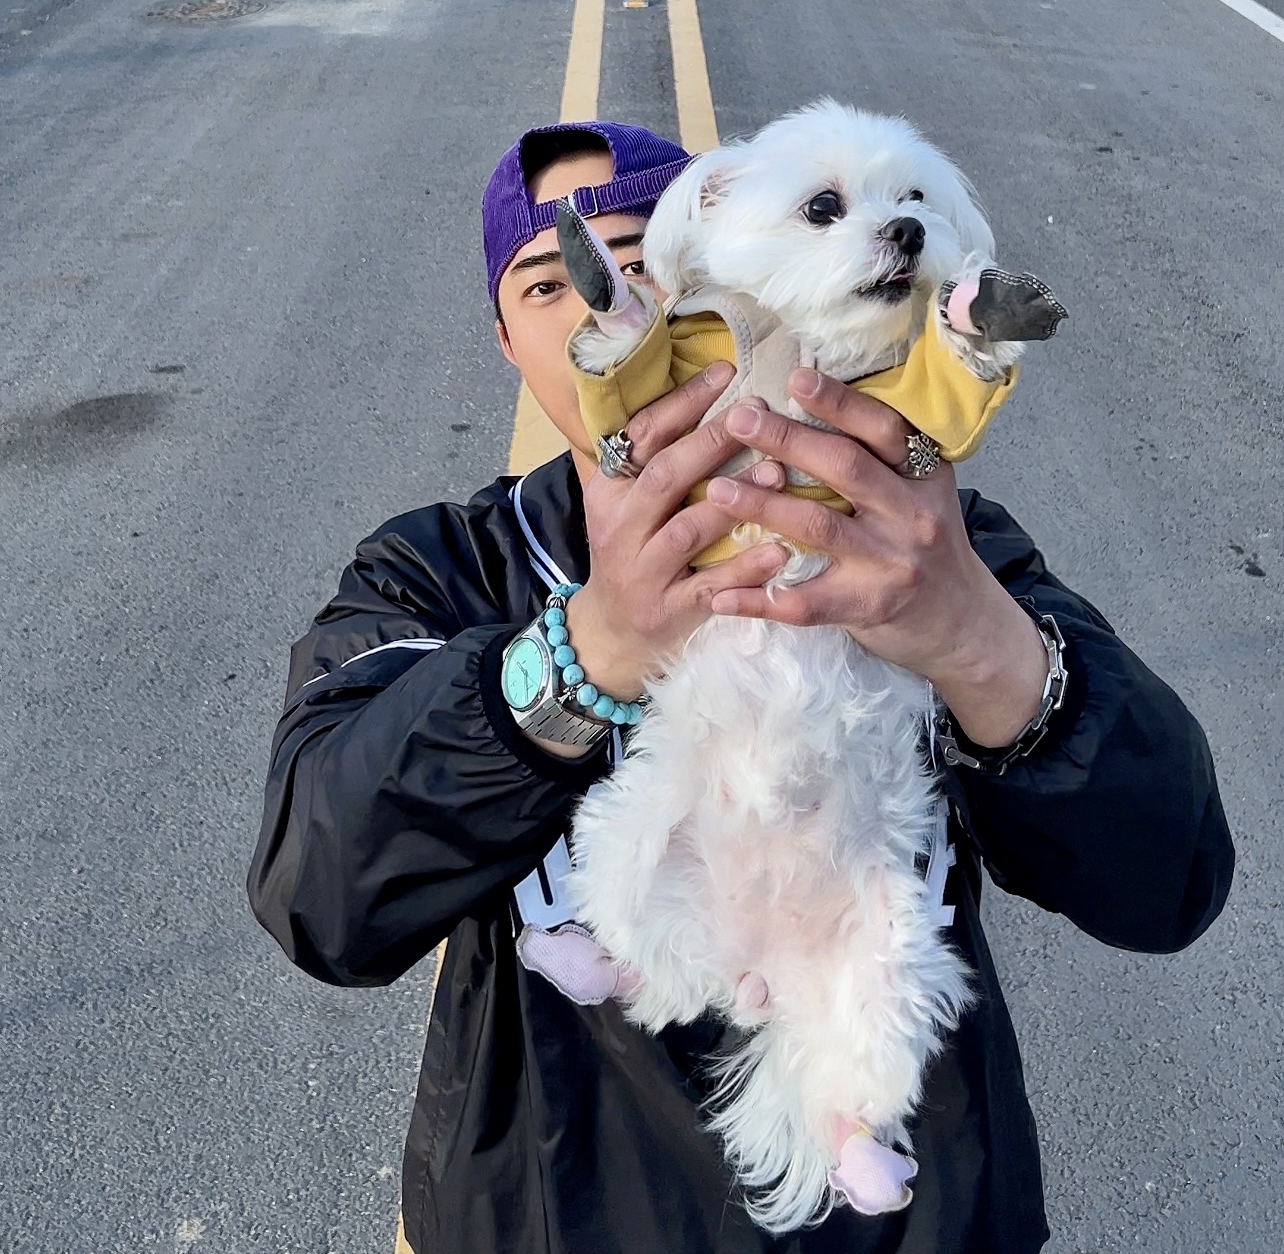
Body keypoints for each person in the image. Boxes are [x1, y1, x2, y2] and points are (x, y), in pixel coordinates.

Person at [248, 120, 1234, 1254]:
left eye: (635, 261)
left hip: (907, 1221)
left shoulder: (935, 546)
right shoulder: (443, 570)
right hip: (554, 1209)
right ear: (507, 340)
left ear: (717, 281)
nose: (599, 304)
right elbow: (320, 892)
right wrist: (589, 651)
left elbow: (1171, 880)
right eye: (549, 281)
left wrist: (973, 640)